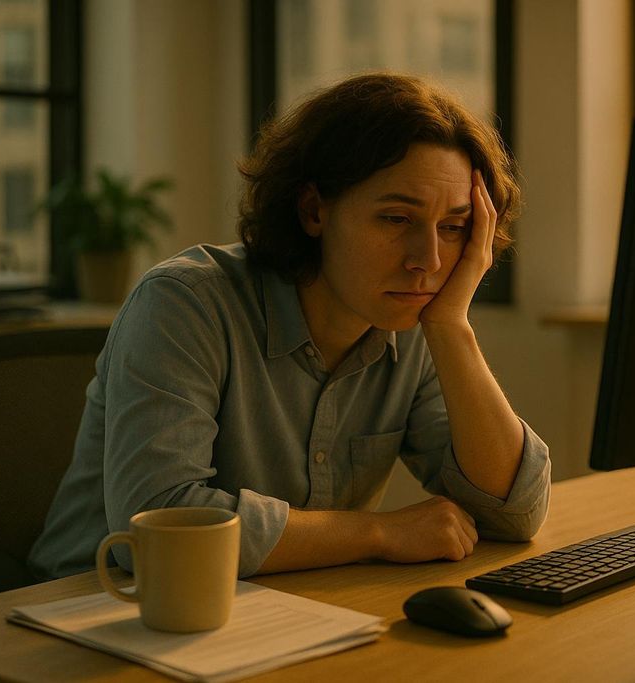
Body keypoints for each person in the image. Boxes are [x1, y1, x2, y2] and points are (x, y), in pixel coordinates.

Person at [29, 72, 551, 580]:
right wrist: (377, 533)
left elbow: (514, 512)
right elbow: (161, 524)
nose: (428, 260)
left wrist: (451, 326)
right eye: (396, 219)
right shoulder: (185, 304)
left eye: (454, 228)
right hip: (94, 610)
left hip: (275, 611)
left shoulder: (413, 327)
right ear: (313, 211)